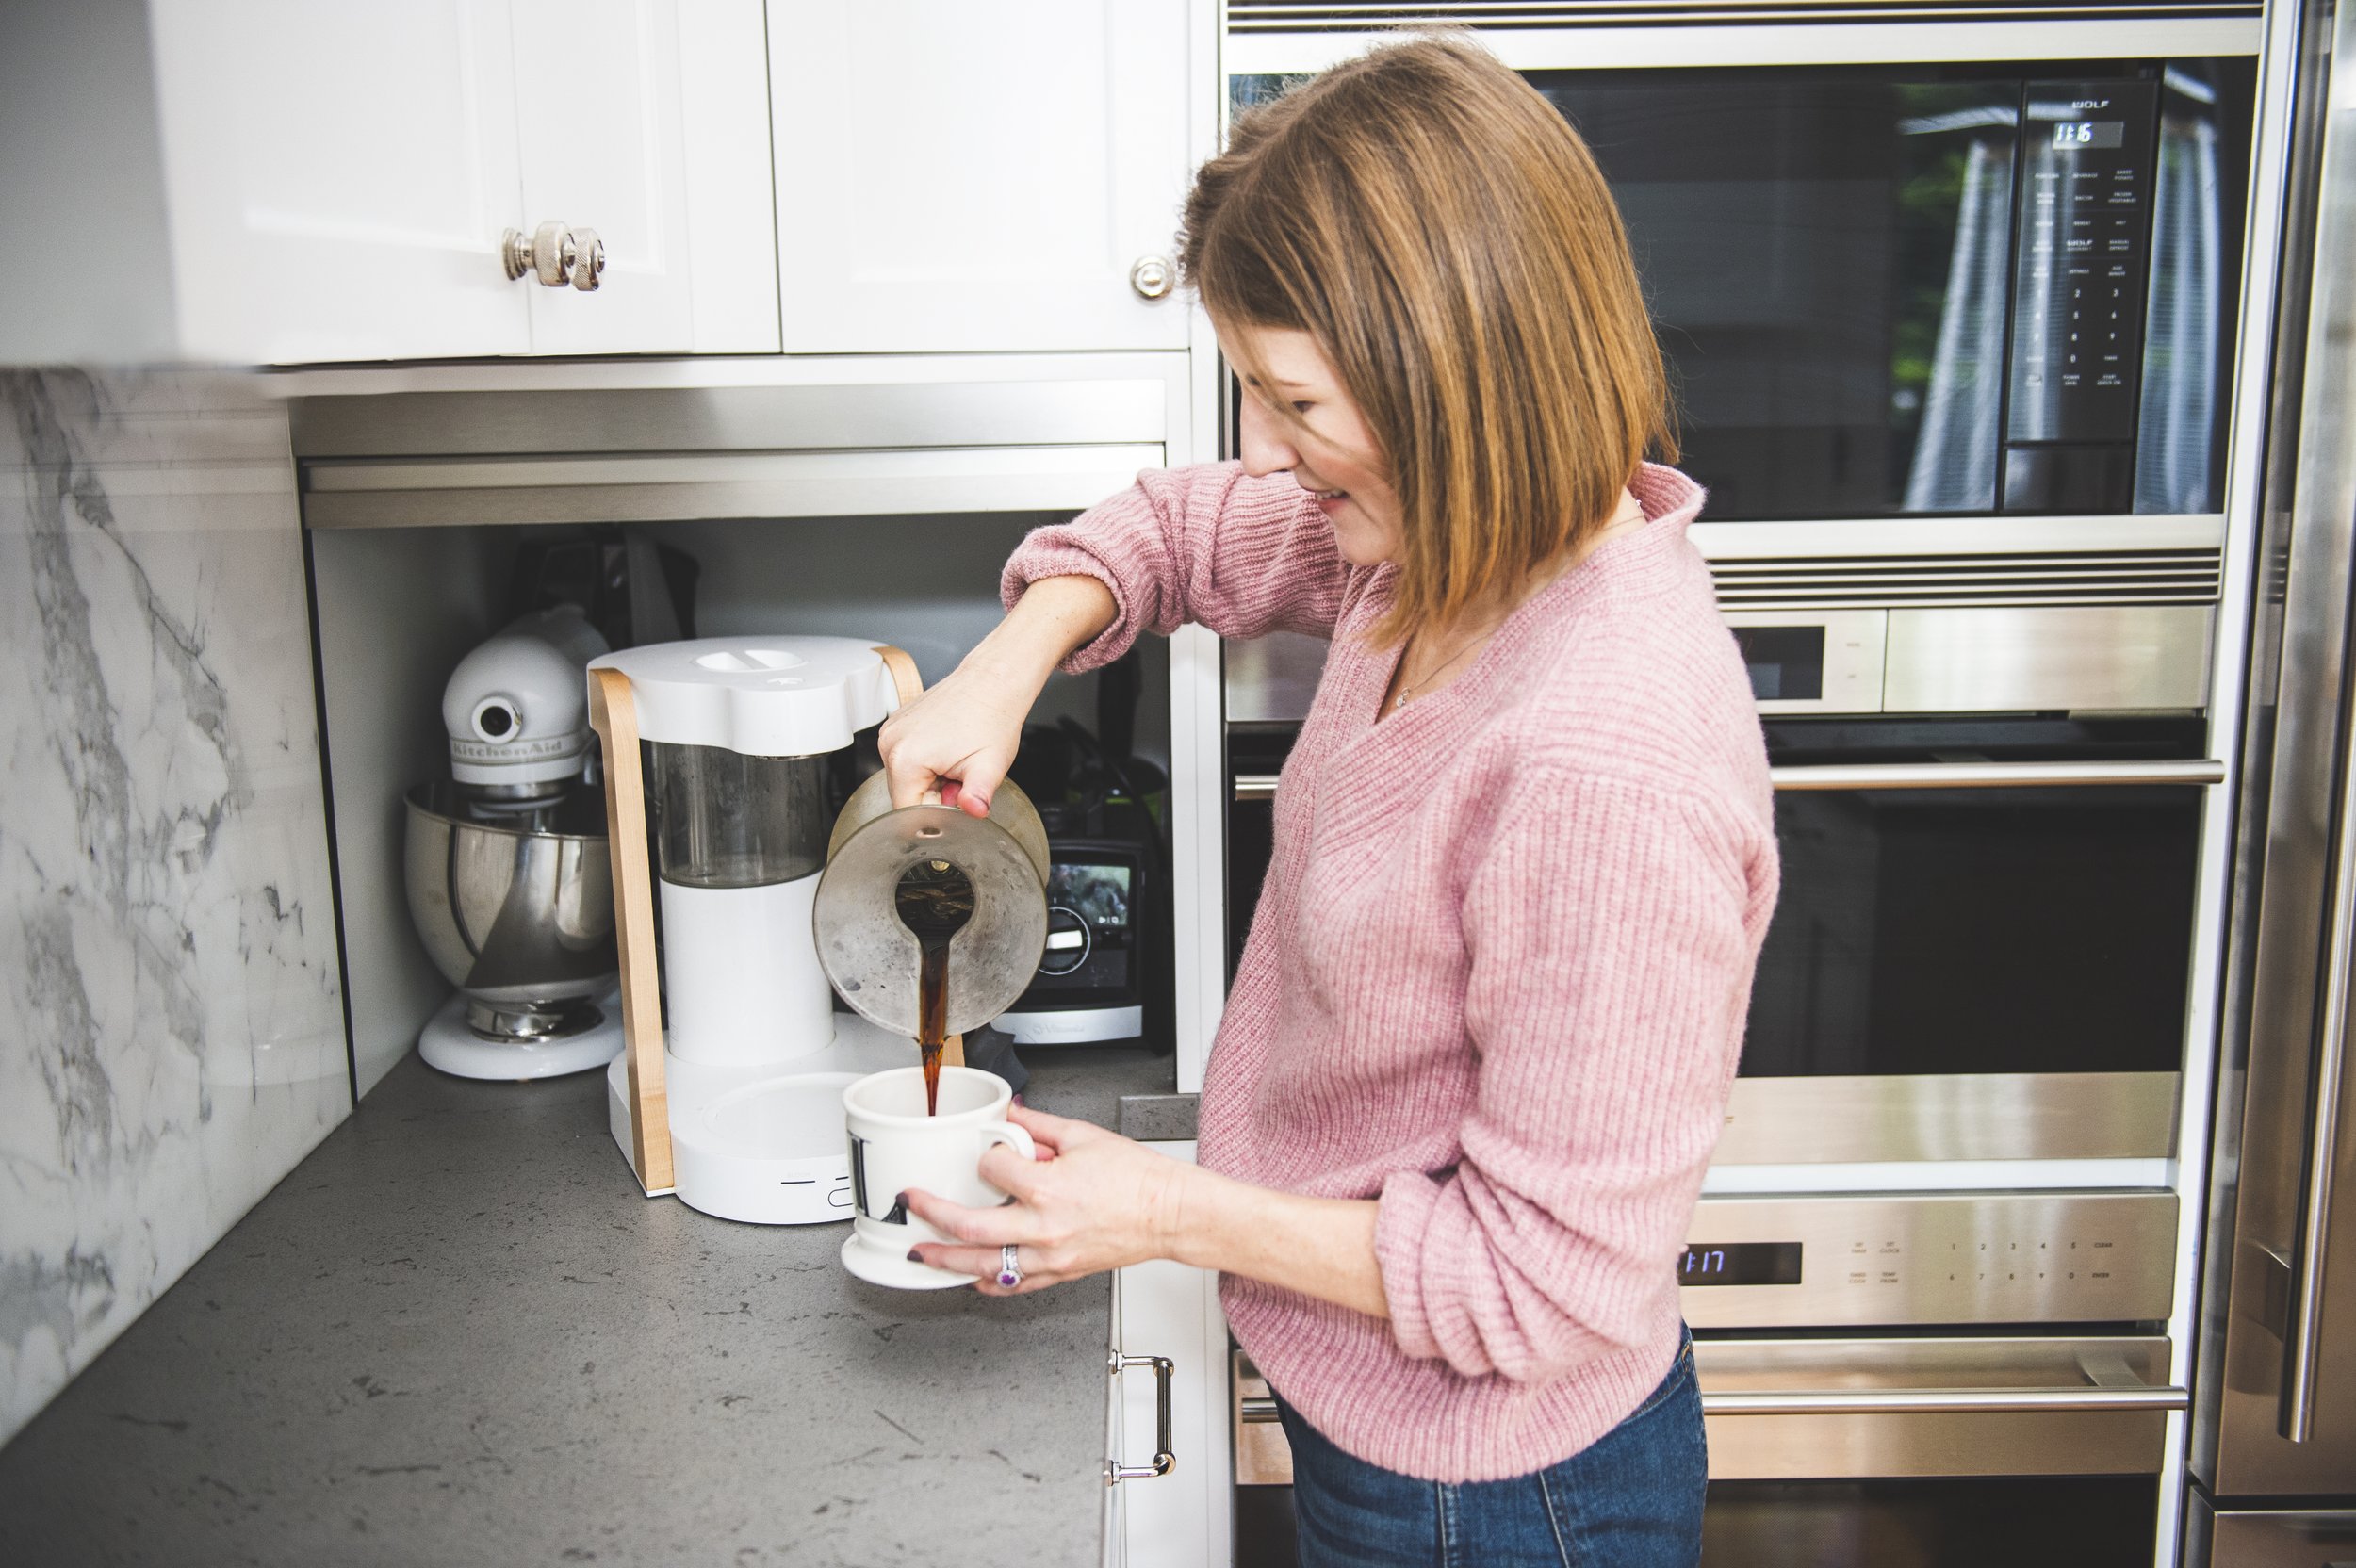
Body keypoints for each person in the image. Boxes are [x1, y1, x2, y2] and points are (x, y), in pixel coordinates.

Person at [883, 34, 1778, 1568]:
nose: (1267, 454)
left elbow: (1544, 1290)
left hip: (1502, 1496)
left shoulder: (1606, 755)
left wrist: (1161, 1213)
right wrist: (1012, 661)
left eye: (1292, 401)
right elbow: (1180, 528)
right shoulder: (1440, 537)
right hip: (1386, 1421)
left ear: (1455, 378)